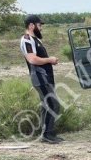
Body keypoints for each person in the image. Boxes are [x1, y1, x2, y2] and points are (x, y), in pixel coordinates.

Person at [20, 14, 62, 144]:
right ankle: (47, 135)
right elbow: (32, 59)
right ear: (31, 25)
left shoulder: (35, 39)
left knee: (46, 106)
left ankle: (47, 133)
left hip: (44, 77)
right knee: (53, 104)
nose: (41, 28)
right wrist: (50, 60)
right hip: (40, 78)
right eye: (39, 25)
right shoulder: (27, 39)